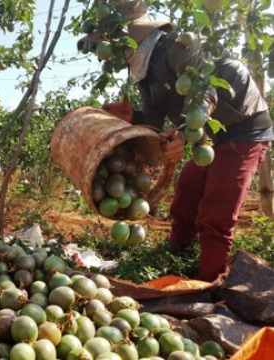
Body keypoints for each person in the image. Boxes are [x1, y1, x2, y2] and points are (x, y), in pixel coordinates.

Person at [77, 1, 274, 282]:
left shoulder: (176, 47)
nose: (103, 55)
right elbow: (155, 121)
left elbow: (206, 91)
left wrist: (183, 132)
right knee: (185, 200)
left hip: (243, 129)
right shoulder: (142, 69)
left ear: (126, 38)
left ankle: (208, 286)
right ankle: (178, 259)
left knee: (215, 214)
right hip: (207, 136)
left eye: (105, 45)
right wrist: (134, 117)